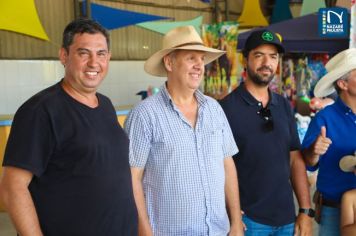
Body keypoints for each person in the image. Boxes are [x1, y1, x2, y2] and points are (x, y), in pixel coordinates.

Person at [0, 18, 137, 235]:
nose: (94, 63)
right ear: (64, 56)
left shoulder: (106, 105)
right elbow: (12, 188)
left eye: (101, 54)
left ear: (108, 58)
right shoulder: (40, 111)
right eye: (83, 53)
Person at [124, 25, 245, 235]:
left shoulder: (214, 109)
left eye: (202, 59)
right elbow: (131, 177)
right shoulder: (144, 115)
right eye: (191, 58)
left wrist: (235, 222)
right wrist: (144, 231)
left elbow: (227, 165)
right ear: (169, 62)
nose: (199, 65)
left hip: (218, 230)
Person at [220, 29, 313, 235]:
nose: (267, 62)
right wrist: (232, 215)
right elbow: (218, 168)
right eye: (259, 55)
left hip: (287, 219)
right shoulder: (225, 109)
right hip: (249, 221)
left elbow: (295, 158)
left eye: (273, 57)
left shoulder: (283, 105)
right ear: (245, 60)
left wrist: (305, 210)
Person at [301, 48, 356, 236]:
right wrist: (314, 151)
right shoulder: (324, 118)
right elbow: (307, 164)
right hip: (334, 209)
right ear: (343, 83)